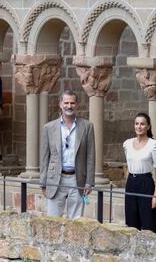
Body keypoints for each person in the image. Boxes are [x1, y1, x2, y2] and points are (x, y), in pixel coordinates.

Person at [40, 90, 95, 219]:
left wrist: (89, 182)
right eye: (66, 103)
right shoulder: (49, 127)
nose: (69, 106)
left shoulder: (87, 126)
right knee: (53, 220)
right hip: (55, 179)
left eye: (72, 103)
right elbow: (44, 157)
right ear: (60, 104)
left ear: (77, 105)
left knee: (76, 220)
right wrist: (43, 182)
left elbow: (90, 156)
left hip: (77, 179)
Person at [123, 113, 156, 233]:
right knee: (131, 221)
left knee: (147, 220)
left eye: (142, 124)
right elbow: (128, 166)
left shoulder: (154, 145)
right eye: (137, 123)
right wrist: (127, 183)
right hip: (131, 182)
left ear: (148, 127)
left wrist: (155, 195)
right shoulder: (127, 144)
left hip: (146, 182)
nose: (139, 126)